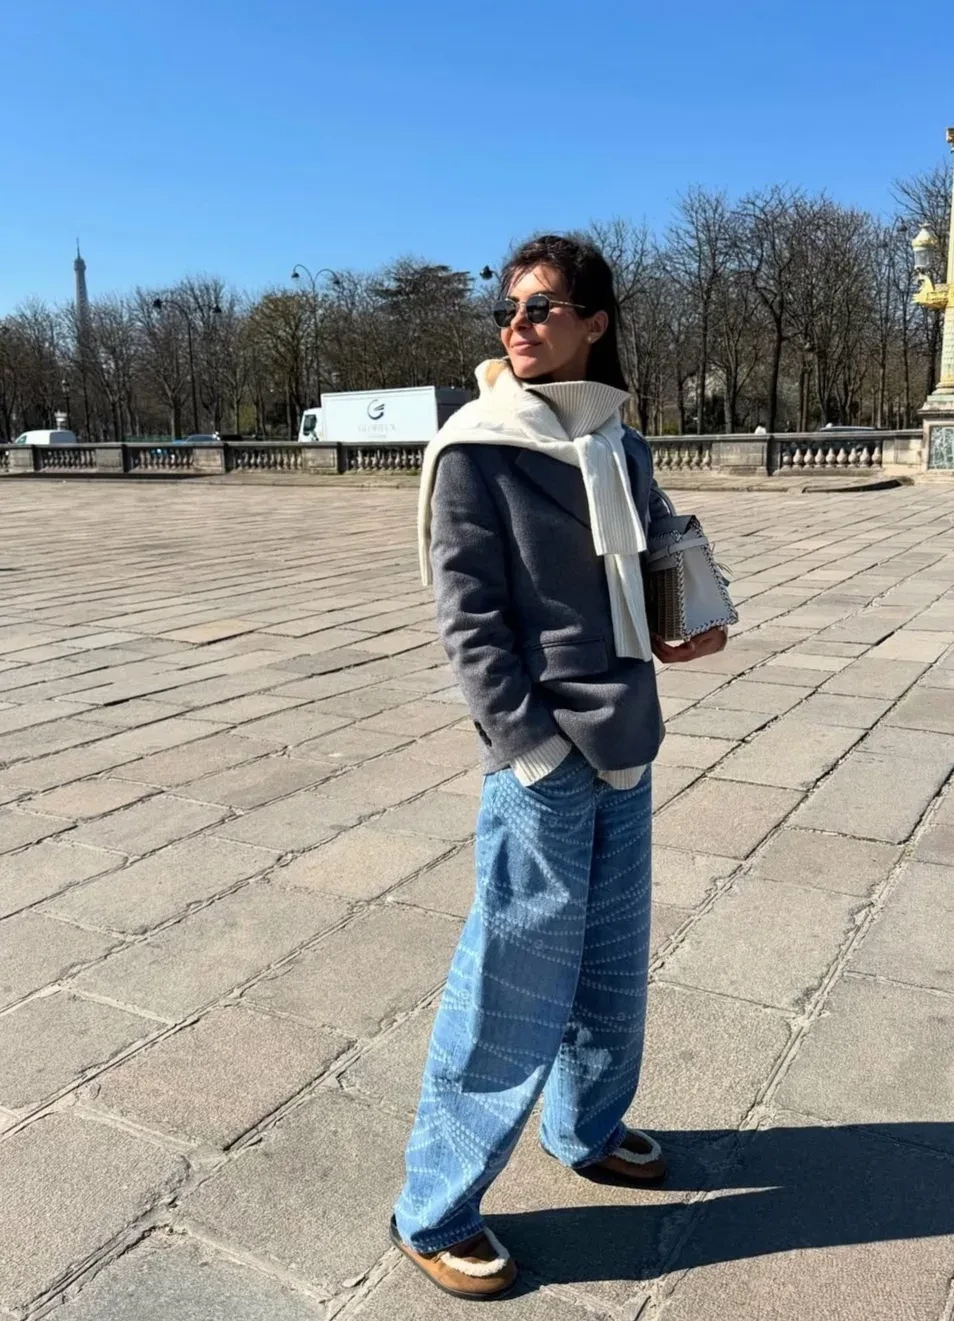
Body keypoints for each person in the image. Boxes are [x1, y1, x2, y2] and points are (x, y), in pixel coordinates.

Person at [391, 234, 727, 1301]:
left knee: (611, 967)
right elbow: (469, 622)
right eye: (509, 309)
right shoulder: (476, 448)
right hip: (544, 756)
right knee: (510, 984)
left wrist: (692, 609)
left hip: (627, 739)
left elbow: (661, 544)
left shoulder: (616, 440)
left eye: (540, 307)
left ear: (594, 322)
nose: (517, 324)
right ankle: (434, 1206)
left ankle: (586, 1127)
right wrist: (529, 749)